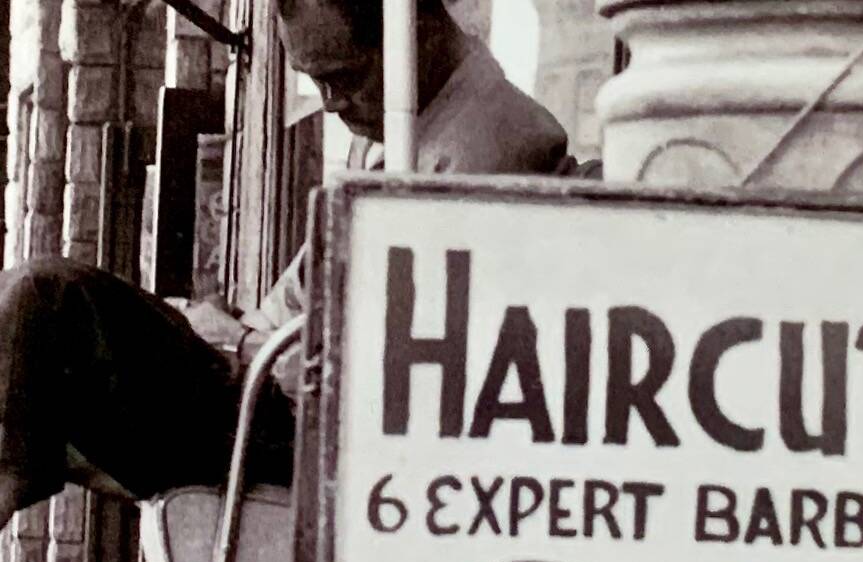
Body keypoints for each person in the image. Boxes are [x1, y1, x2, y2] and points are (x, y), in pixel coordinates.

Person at [0, 0, 572, 533]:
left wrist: (245, 343)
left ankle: (19, 465)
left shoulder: (485, 151)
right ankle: (28, 450)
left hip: (318, 431)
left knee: (45, 300)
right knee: (36, 334)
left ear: (414, 36)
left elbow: (406, 373)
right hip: (281, 393)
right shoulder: (409, 130)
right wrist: (225, 333)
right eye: (314, 80)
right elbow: (300, 293)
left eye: (342, 78)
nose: (328, 102)